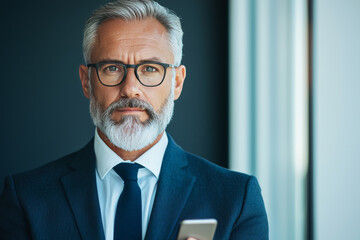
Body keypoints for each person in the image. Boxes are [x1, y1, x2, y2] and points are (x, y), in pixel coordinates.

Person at [0, 0, 268, 239]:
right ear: (86, 81)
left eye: (150, 69)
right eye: (112, 68)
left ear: (177, 82)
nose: (130, 88)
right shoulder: (26, 198)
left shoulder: (236, 199)